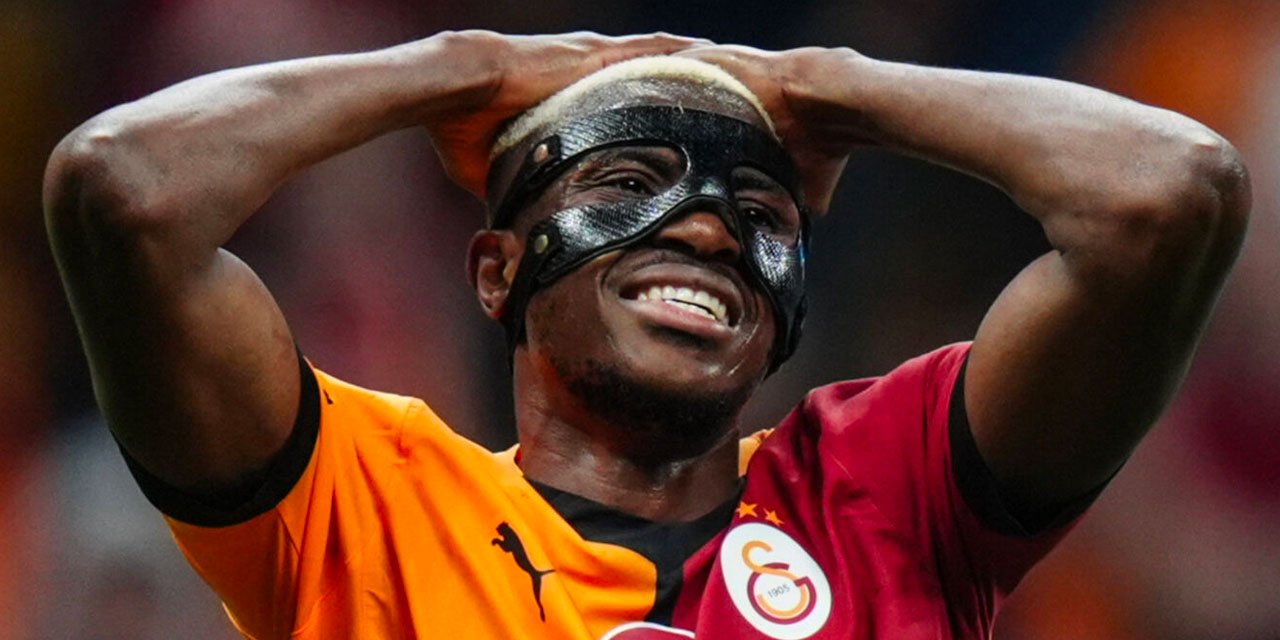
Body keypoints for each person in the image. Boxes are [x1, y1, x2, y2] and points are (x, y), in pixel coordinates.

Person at [42, 30, 1249, 639]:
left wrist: (824, 85)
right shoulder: (369, 513)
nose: (711, 230)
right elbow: (122, 189)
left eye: (760, 215)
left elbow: (1168, 193)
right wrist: (461, 70)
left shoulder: (884, 492)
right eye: (627, 183)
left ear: (787, 312)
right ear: (496, 271)